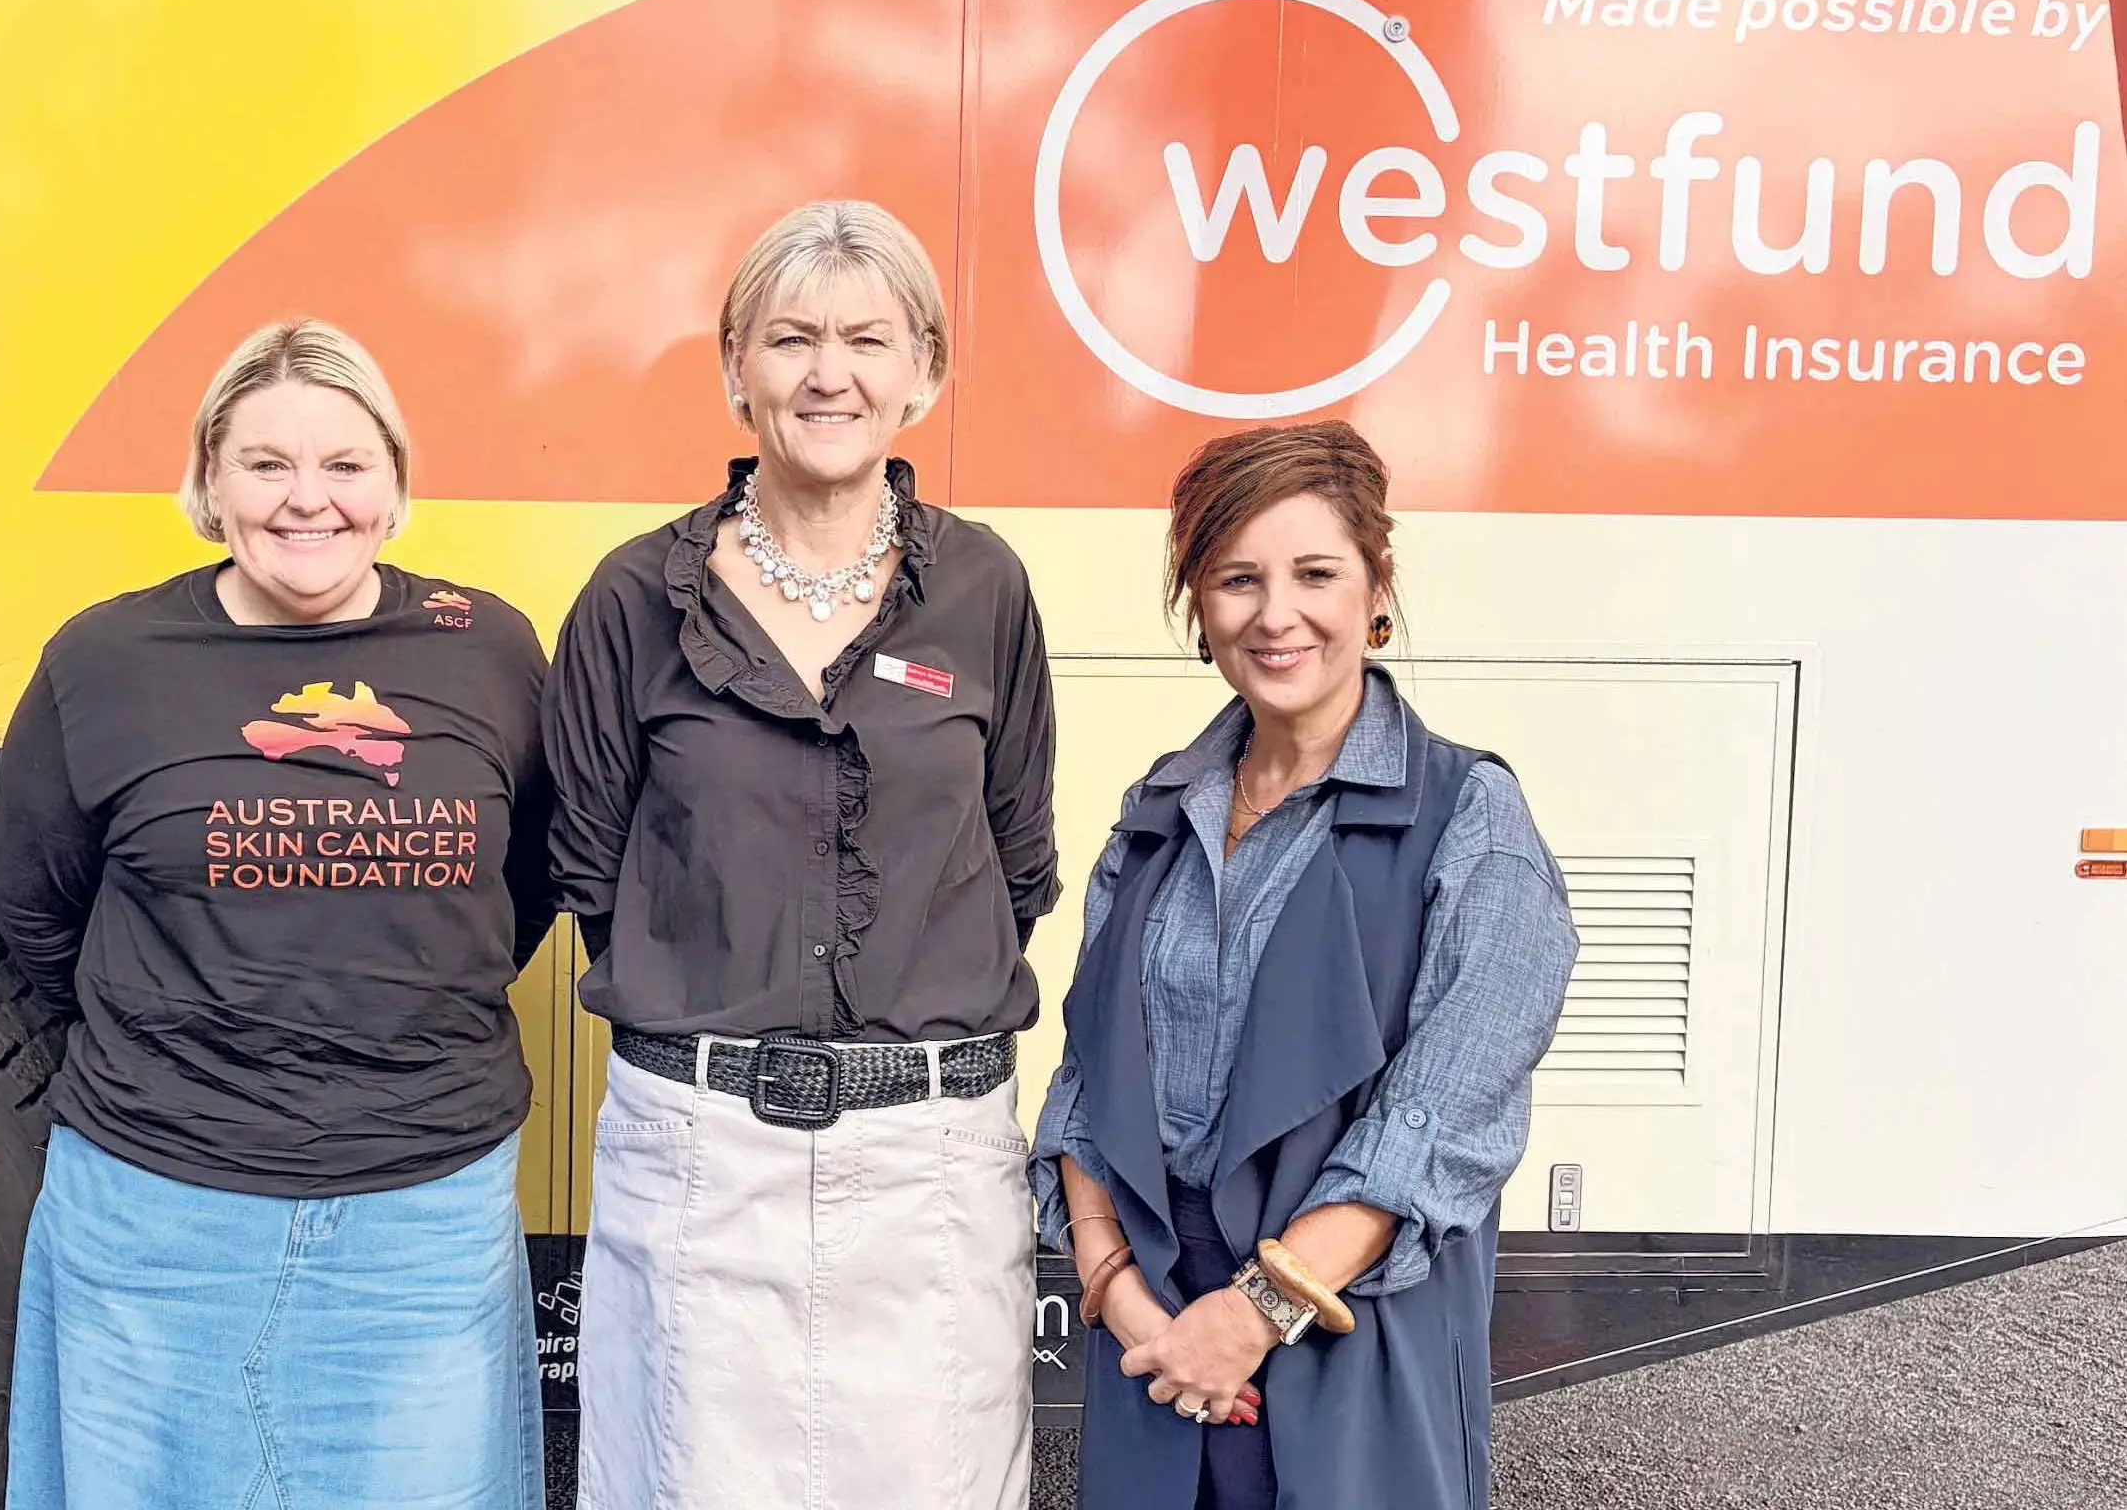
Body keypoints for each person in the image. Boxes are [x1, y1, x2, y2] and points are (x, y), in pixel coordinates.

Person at [0, 318, 555, 1510]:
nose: (309, 502)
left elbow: (527, 888)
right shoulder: (103, 660)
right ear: (205, 482)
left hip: (420, 1219)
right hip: (158, 1211)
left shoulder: (488, 651)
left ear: (395, 486)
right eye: (265, 464)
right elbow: (38, 909)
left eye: (345, 466)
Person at [544, 200, 1060, 1510]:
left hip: (927, 1164)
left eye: (865, 341)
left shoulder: (982, 588)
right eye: (788, 340)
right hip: (699, 1155)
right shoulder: (629, 598)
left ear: (921, 374)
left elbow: (1018, 851)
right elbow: (595, 868)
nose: (827, 374)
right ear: (734, 369)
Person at [1031, 421, 1581, 1509]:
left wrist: (1250, 1315)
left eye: (1313, 573)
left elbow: (1435, 1123)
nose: (1274, 614)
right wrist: (1130, 1303)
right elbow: (1085, 1082)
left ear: (1376, 588)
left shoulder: (1469, 819)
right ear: (1198, 608)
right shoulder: (1155, 814)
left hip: (1347, 1331)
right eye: (1236, 578)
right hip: (1157, 1346)